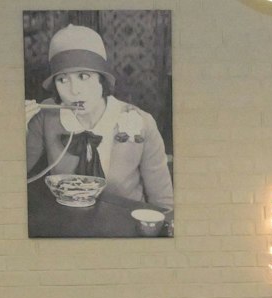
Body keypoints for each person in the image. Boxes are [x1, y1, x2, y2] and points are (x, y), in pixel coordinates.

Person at [23, 24, 174, 212]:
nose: (74, 90)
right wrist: (13, 131)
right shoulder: (47, 117)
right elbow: (6, 178)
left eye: (83, 76)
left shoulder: (141, 122)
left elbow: (164, 205)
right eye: (62, 79)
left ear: (101, 79)